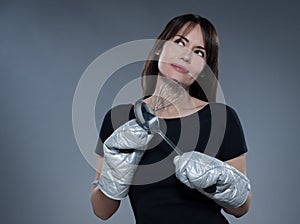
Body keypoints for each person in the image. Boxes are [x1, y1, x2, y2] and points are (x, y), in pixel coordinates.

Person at [90, 14, 251, 223]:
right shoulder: (119, 119)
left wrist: (223, 181)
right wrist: (114, 177)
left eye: (199, 52)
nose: (186, 56)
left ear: (203, 69)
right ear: (159, 48)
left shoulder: (222, 119)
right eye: (179, 42)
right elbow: (102, 211)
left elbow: (241, 208)